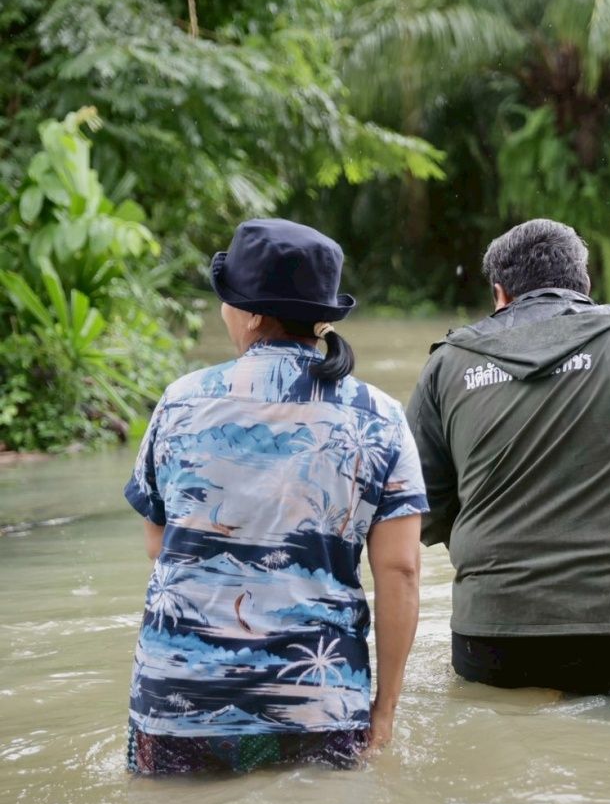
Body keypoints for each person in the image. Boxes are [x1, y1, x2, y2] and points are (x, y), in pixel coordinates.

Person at [123, 218, 427, 775]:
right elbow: (402, 570)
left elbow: (158, 542)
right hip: (318, 701)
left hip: (180, 703)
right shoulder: (381, 418)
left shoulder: (180, 402)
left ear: (253, 313)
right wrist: (383, 710)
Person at [407, 218, 610, 694]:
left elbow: (418, 506)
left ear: (500, 294)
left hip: (492, 634)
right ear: (585, 287)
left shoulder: (447, 363)